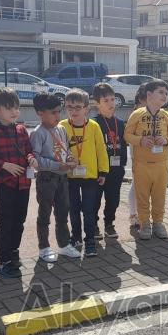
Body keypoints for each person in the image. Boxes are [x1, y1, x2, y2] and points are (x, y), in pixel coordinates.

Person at [0, 88, 37, 278]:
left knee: (20, 219)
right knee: (6, 220)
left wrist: (31, 159)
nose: (14, 111)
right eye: (9, 108)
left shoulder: (21, 129)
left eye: (16, 107)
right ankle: (4, 259)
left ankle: (14, 251)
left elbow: (29, 150)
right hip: (5, 184)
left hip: (24, 183)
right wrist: (5, 165)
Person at [30, 93, 81, 263]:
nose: (58, 116)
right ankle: (44, 248)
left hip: (62, 178)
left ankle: (64, 244)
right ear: (40, 113)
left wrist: (71, 159)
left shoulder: (61, 129)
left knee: (63, 212)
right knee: (44, 213)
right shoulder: (38, 133)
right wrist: (58, 165)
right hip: (46, 178)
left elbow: (67, 150)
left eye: (59, 111)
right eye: (53, 112)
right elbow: (36, 160)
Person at [124, 79, 168, 239]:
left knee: (159, 196)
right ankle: (144, 224)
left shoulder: (167, 116)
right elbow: (127, 135)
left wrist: (166, 140)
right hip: (142, 164)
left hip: (161, 165)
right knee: (142, 196)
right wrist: (140, 140)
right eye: (160, 92)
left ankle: (158, 223)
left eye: (166, 93)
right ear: (149, 94)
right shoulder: (137, 114)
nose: (165, 96)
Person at [60, 89, 109, 257]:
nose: (73, 111)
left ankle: (90, 241)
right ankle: (76, 238)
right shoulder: (62, 126)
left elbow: (101, 150)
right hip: (70, 177)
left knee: (89, 211)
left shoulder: (94, 126)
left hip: (90, 177)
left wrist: (103, 171)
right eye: (69, 107)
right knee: (73, 210)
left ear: (86, 109)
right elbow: (58, 150)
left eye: (78, 107)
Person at [92, 82, 127, 240]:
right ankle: (93, 225)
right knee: (95, 200)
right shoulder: (93, 124)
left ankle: (109, 224)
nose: (110, 103)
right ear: (97, 103)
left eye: (112, 99)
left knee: (113, 199)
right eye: (106, 100)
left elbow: (123, 145)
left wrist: (122, 165)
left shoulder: (120, 123)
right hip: (98, 171)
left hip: (116, 169)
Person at [128, 85, 148, 231]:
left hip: (152, 155)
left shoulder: (156, 113)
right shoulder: (136, 114)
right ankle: (133, 215)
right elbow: (130, 136)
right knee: (136, 184)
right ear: (141, 99)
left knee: (147, 186)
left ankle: (144, 214)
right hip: (138, 154)